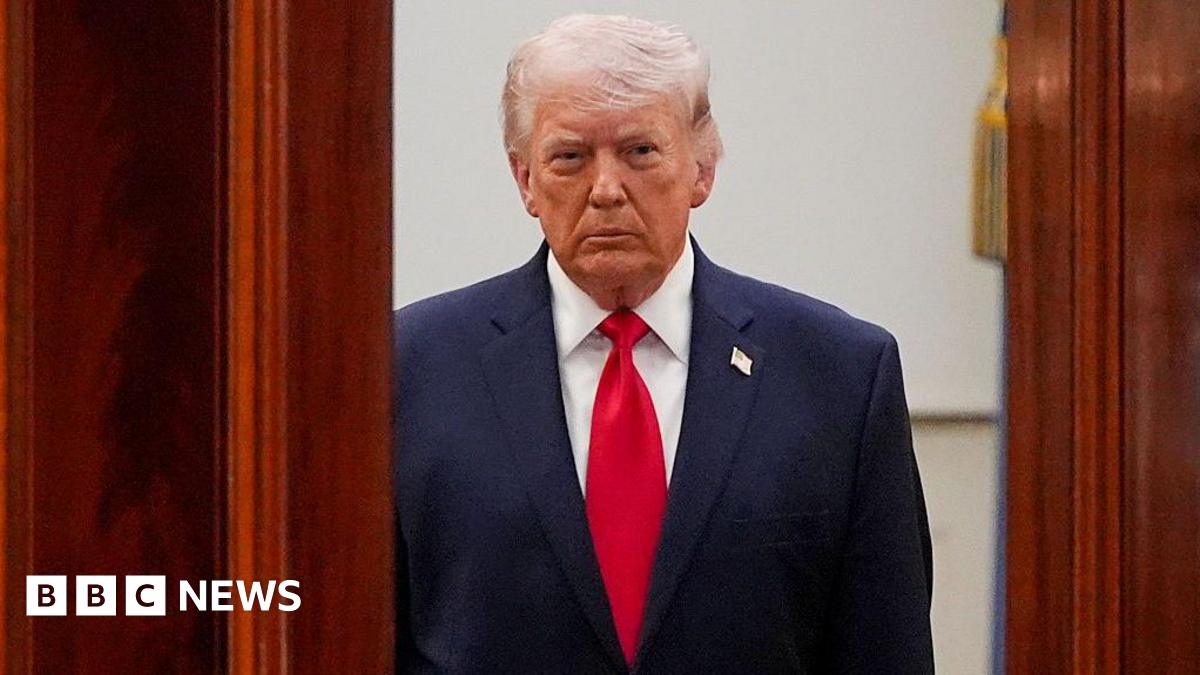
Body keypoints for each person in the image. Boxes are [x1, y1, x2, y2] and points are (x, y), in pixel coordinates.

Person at [393, 14, 933, 674]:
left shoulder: (842, 378)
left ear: (702, 169)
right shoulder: (411, 370)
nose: (607, 190)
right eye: (570, 157)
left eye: (640, 152)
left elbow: (886, 646)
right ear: (525, 180)